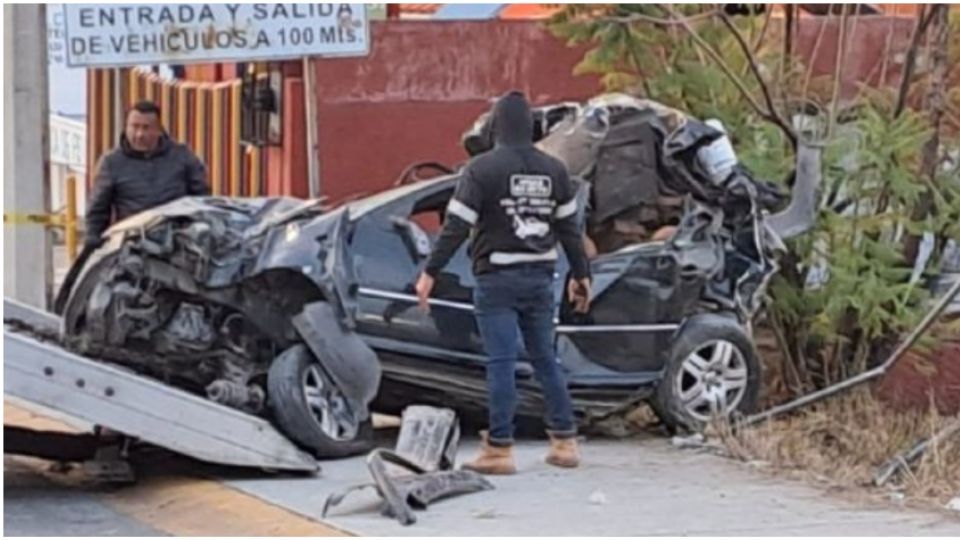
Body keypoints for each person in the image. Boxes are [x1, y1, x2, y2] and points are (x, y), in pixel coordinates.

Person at [415, 91, 592, 475]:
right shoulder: (555, 170)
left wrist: (430, 271)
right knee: (546, 358)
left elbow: (455, 227)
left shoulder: (482, 170)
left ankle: (499, 450)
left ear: (495, 127)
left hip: (496, 279)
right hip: (541, 279)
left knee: (501, 363)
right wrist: (582, 276)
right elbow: (570, 231)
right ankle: (565, 442)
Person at [84, 100, 209, 248]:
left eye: (146, 128)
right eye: (134, 127)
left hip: (178, 242)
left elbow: (202, 199)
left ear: (158, 130)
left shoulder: (182, 156)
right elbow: (98, 209)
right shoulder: (111, 162)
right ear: (126, 127)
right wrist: (93, 241)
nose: (139, 134)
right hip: (132, 243)